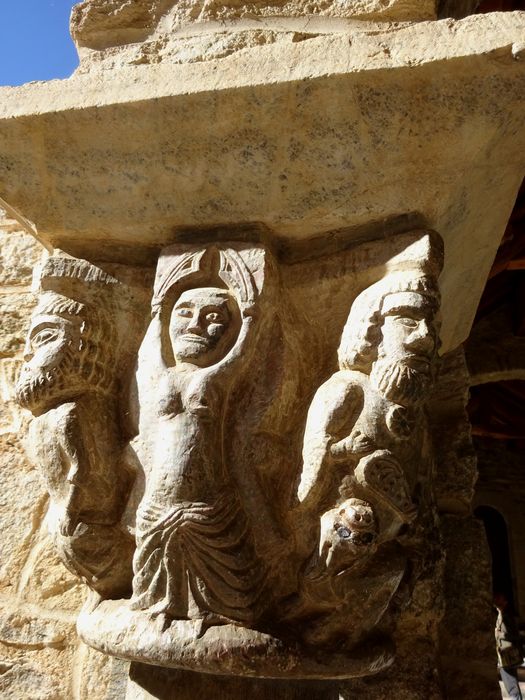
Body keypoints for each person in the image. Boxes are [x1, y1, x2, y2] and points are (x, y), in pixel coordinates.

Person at [495, 592, 524, 700]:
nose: (496, 600)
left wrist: (499, 634)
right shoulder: (501, 614)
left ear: (505, 602)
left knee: (512, 687)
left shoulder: (507, 616)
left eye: (499, 598)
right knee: (512, 686)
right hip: (505, 656)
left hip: (508, 657)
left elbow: (515, 635)